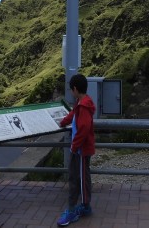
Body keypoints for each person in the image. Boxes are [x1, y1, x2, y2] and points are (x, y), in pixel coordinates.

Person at [56, 73, 96, 226]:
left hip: (80, 150)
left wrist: (74, 146)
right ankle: (85, 205)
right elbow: (74, 114)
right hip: (82, 149)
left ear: (75, 89)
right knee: (83, 176)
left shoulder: (83, 106)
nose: (71, 93)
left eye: (71, 90)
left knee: (76, 178)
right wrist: (63, 121)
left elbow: (84, 128)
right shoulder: (83, 103)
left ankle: (73, 210)